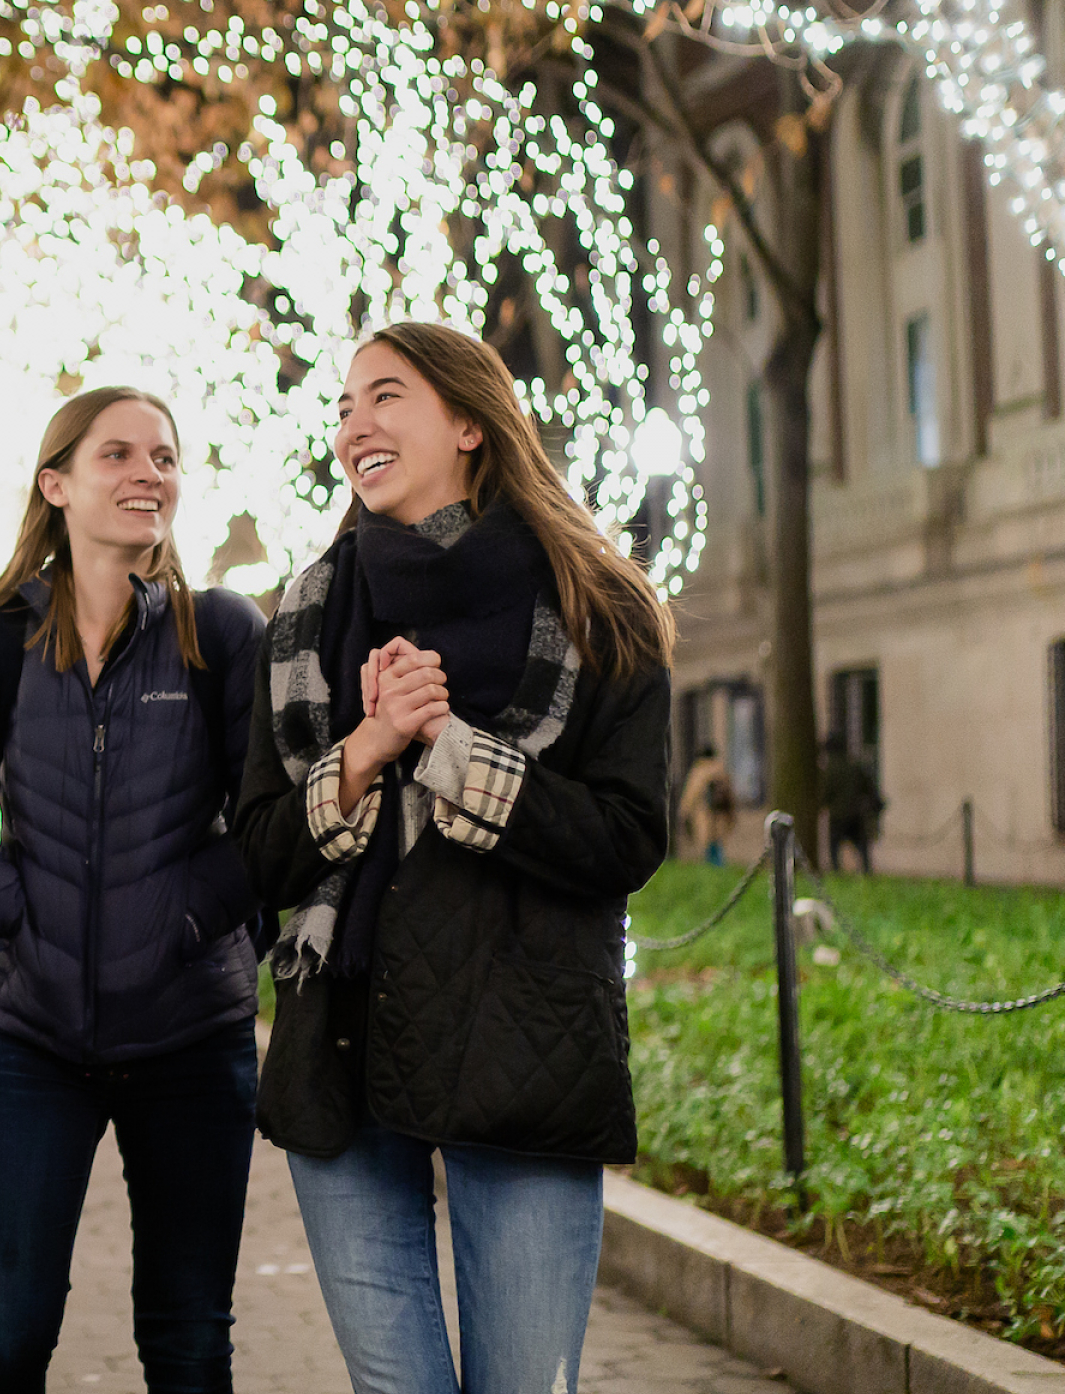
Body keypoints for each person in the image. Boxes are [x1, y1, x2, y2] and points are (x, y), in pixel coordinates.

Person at [233, 321, 674, 1394]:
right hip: (341, 1043)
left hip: (520, 1043)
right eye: (342, 408)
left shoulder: (594, 606)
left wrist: (448, 748)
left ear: (471, 422)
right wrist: (370, 746)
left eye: (384, 396)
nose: (353, 426)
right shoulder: (304, 617)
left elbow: (626, 836)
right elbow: (259, 857)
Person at [0, 388, 266, 1394]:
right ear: (56, 484)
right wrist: (16, 912)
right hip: (28, 1040)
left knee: (189, 1341)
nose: (149, 473)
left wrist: (192, 915)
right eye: (118, 455)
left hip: (194, 1038)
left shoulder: (221, 634)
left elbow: (273, 823)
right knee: (2, 1334)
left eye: (165, 456)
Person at [819, 735, 881, 875]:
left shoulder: (830, 770)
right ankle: (866, 872)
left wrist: (821, 805)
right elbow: (869, 788)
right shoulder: (855, 767)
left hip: (837, 815)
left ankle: (836, 872)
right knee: (861, 848)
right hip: (855, 814)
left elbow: (825, 793)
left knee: (834, 848)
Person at [679, 743, 735, 867]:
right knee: (718, 842)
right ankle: (719, 866)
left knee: (707, 843)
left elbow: (691, 795)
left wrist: (684, 812)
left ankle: (711, 866)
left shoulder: (699, 771)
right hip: (721, 815)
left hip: (704, 813)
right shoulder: (721, 770)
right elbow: (730, 797)